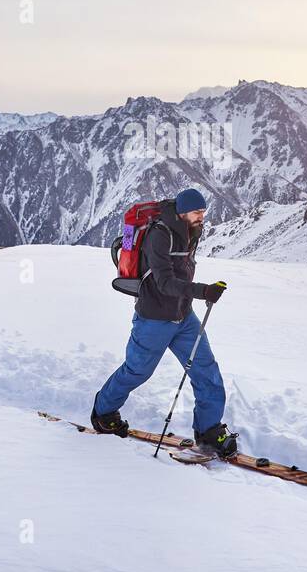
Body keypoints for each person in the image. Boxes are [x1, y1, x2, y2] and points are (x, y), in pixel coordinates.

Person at [90, 187, 237, 456]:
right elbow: (164, 282)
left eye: (203, 211)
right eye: (197, 212)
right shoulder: (160, 235)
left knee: (207, 371)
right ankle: (103, 412)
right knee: (137, 371)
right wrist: (203, 291)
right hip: (154, 318)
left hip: (183, 316)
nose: (202, 217)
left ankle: (208, 431)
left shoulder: (192, 230)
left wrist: (195, 295)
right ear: (182, 212)